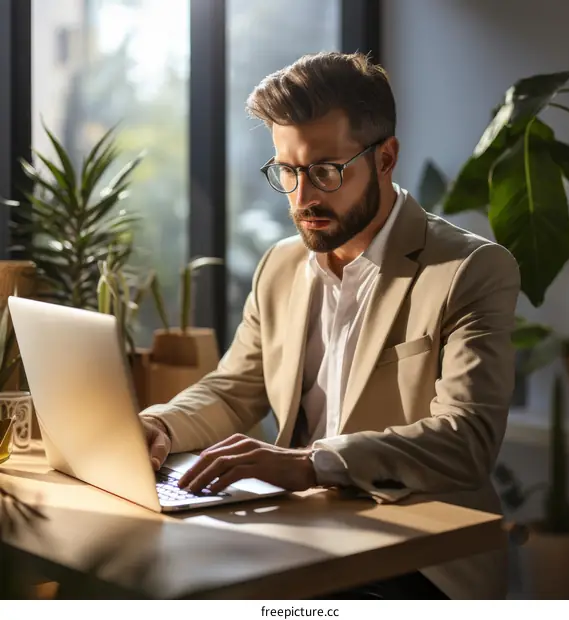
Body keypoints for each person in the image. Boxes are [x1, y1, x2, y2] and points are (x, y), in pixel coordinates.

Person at [139, 52, 520, 600]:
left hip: (417, 557)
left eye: (325, 170)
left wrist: (313, 464)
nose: (303, 197)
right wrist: (161, 426)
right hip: (297, 533)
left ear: (385, 158)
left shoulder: (468, 270)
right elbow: (235, 390)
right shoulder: (280, 266)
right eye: (287, 171)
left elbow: (467, 440)